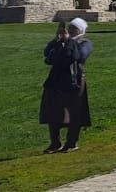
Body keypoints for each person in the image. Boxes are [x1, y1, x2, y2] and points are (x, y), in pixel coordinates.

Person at [40, 18, 93, 154]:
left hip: (74, 81)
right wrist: (56, 40)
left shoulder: (85, 43)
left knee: (74, 112)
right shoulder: (61, 43)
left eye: (74, 28)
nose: (70, 31)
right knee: (53, 111)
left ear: (80, 30)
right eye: (69, 28)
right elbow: (48, 57)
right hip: (56, 80)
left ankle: (71, 143)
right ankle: (55, 143)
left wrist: (69, 41)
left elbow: (78, 56)